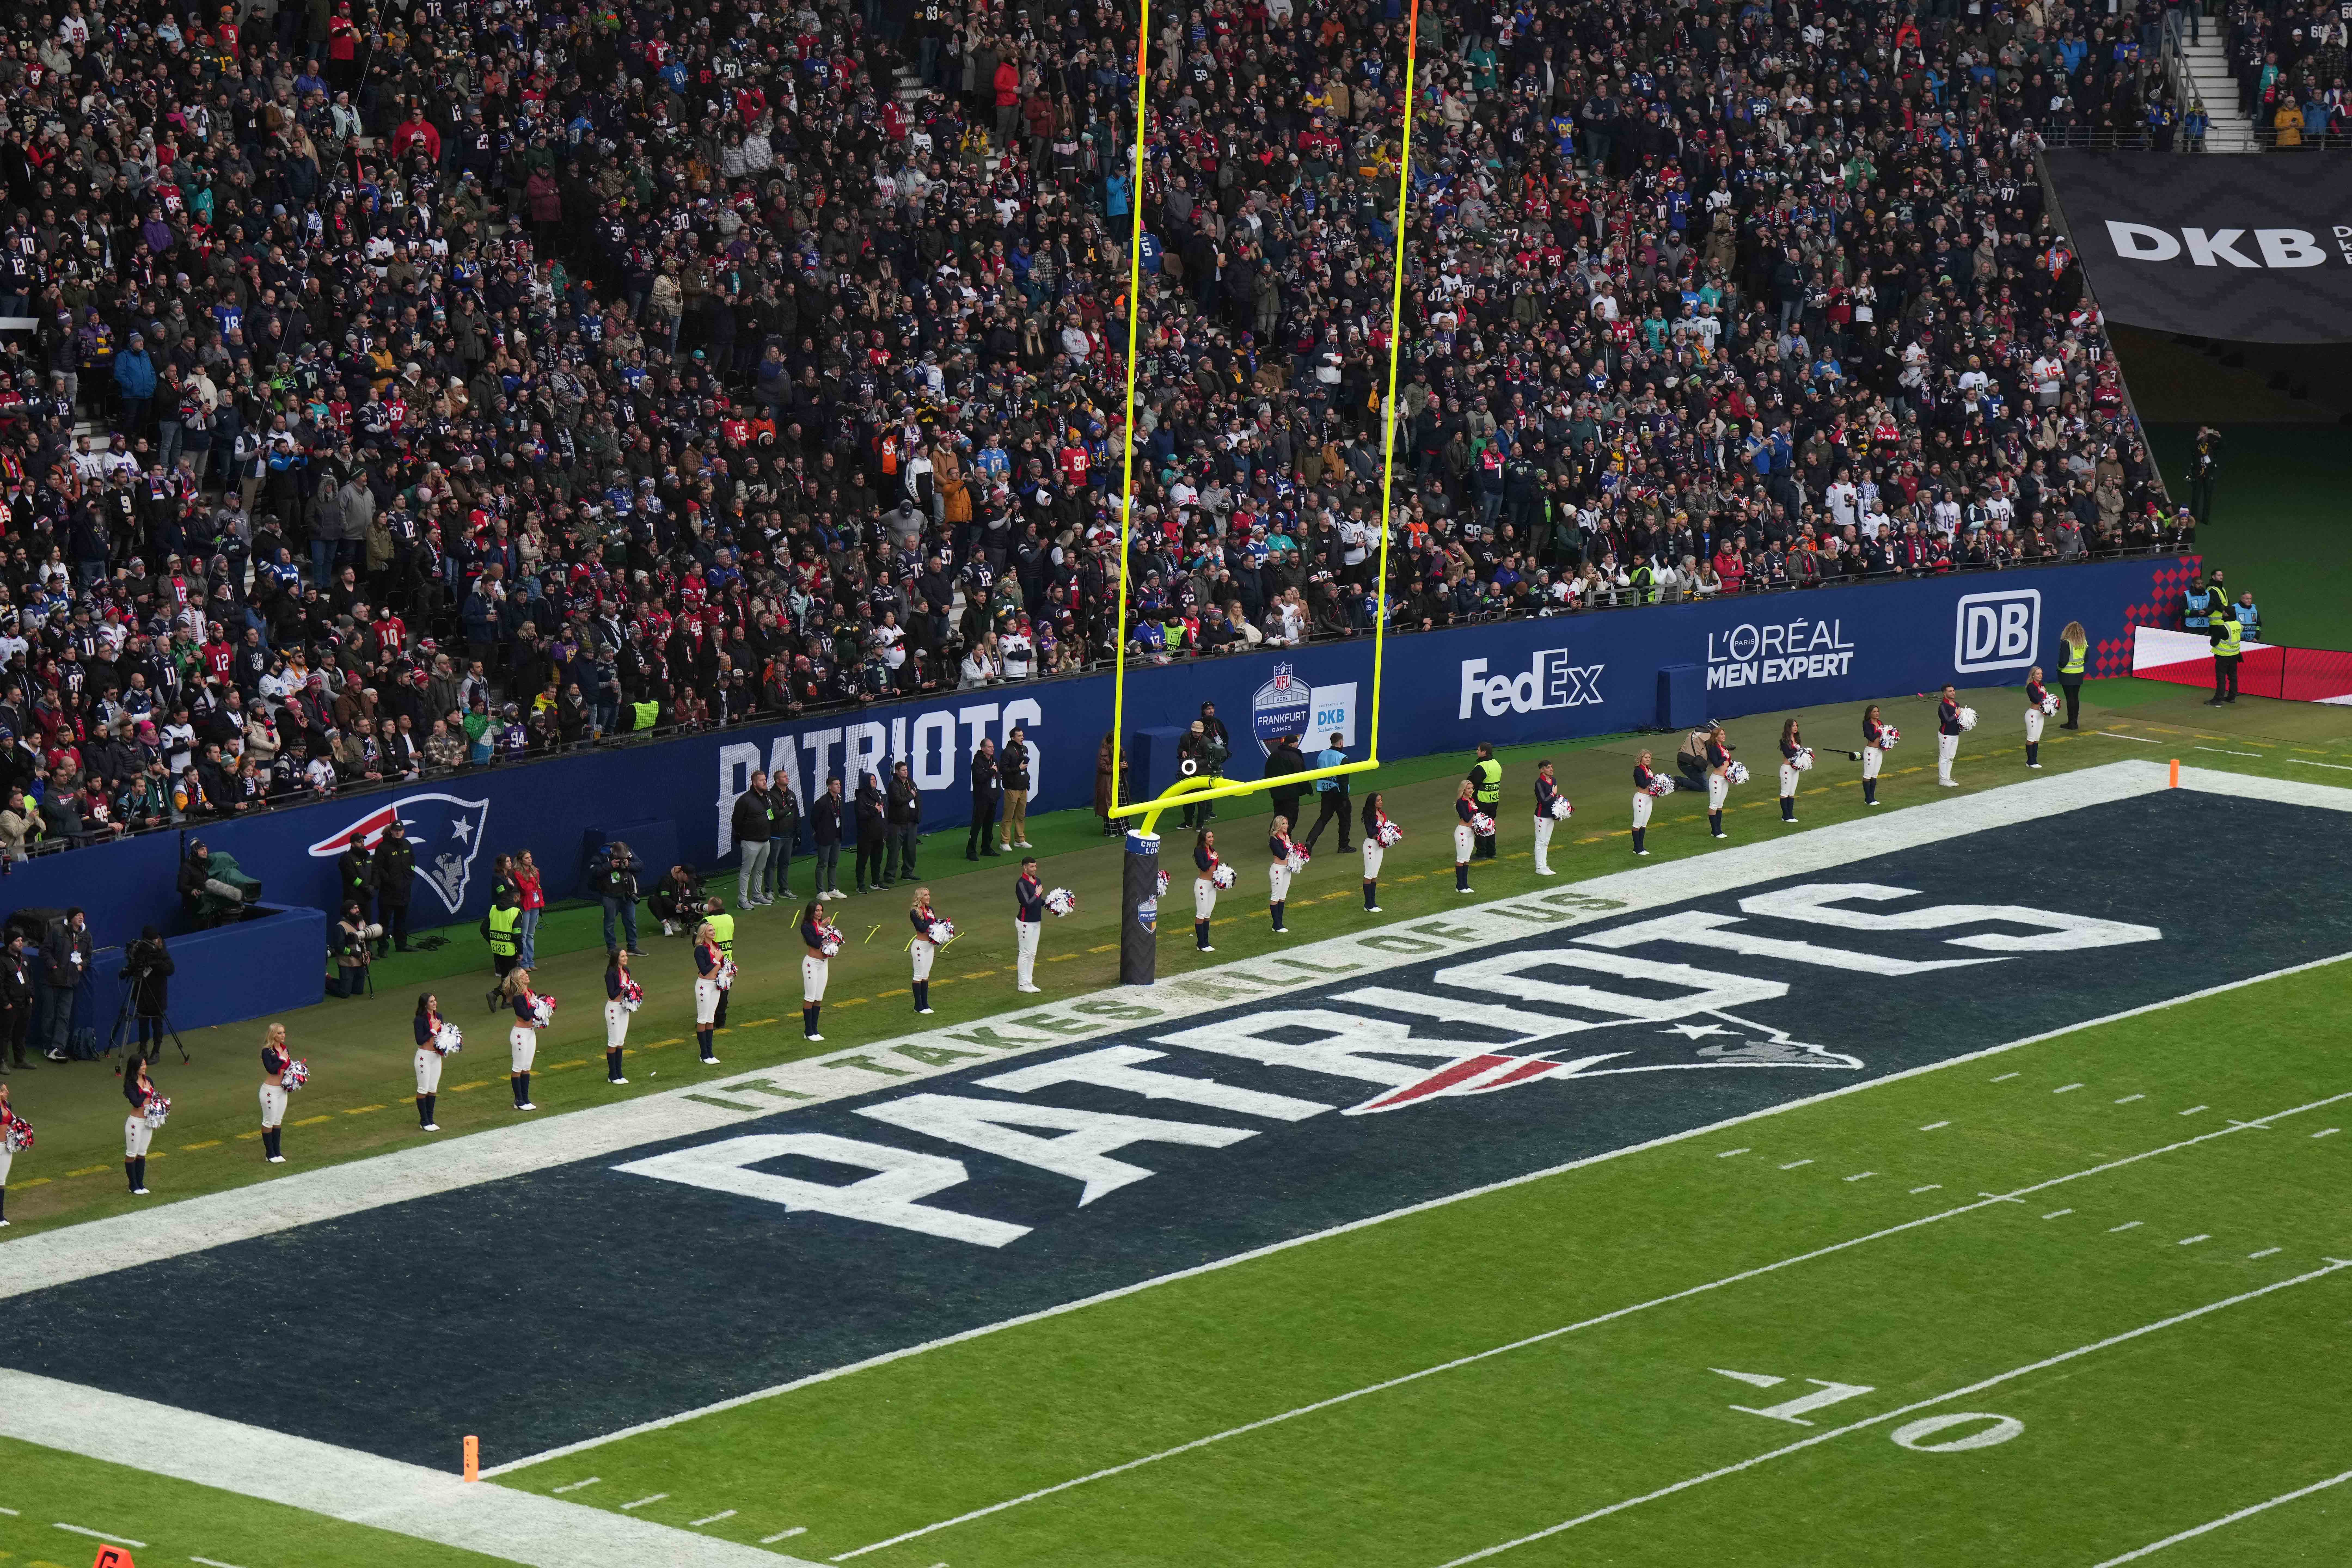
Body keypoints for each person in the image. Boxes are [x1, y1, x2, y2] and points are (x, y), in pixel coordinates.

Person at [39, 908, 93, 1062]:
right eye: (78, 916)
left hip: (71, 982)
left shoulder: (86, 936)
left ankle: (58, 1048)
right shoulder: (57, 930)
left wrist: (83, 965)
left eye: (83, 915)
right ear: (70, 919)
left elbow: (89, 956)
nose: (81, 918)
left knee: (64, 1017)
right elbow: (44, 951)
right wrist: (54, 966)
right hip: (52, 980)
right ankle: (48, 1047)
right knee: (49, 1015)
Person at [122, 926, 175, 1060]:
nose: (155, 942)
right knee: (143, 1021)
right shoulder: (140, 950)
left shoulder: (162, 952)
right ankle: (143, 1049)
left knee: (158, 1021)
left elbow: (170, 970)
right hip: (142, 992)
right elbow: (135, 966)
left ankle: (156, 1052)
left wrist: (155, 963)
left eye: (156, 939)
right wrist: (127, 971)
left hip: (158, 993)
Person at [1302, 733, 1354, 853]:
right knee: (1345, 821)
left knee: (1323, 819)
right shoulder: (1343, 758)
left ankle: (1310, 841)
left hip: (1326, 793)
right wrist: (1345, 799)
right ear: (1341, 743)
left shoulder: (1322, 755)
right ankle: (1343, 846)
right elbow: (1344, 781)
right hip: (1339, 794)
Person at [504, 968, 546, 1110]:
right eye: (522, 975)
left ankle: (526, 1098)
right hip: (520, 1034)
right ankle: (519, 1100)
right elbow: (526, 1016)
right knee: (518, 1067)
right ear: (517, 980)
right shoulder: (518, 997)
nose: (526, 975)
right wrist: (537, 1006)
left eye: (526, 973)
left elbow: (534, 1014)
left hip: (530, 1033)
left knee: (527, 1067)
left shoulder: (531, 993)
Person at [733, 769, 775, 908]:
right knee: (747, 871)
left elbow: (770, 815)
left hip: (765, 841)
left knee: (759, 870)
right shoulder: (745, 800)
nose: (765, 782)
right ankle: (742, 900)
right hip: (750, 842)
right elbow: (736, 821)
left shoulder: (767, 797)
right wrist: (745, 836)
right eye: (762, 780)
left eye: (765, 780)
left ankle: (757, 896)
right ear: (754, 783)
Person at [799, 898, 838, 1039]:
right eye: (817, 911)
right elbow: (815, 943)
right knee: (810, 997)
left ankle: (815, 1030)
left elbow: (826, 937)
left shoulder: (821, 926)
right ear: (811, 912)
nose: (820, 913)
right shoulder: (806, 927)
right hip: (812, 964)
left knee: (819, 997)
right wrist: (825, 931)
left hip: (823, 964)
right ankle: (808, 1031)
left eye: (821, 910)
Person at [596, 840, 643, 954]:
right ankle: (611, 948)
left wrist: (629, 864)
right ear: (614, 853)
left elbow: (640, 865)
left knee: (631, 921)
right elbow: (594, 872)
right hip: (610, 895)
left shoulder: (628, 852)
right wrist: (610, 865)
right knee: (610, 922)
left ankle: (632, 947)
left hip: (628, 894)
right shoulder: (603, 854)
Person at [376, 819, 416, 951]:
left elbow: (412, 863)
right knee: (384, 921)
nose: (398, 832)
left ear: (404, 831)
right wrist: (389, 881)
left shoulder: (407, 845)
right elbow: (378, 868)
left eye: (400, 830)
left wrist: (410, 877)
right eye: (396, 830)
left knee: (401, 920)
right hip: (388, 892)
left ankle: (402, 945)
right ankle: (383, 948)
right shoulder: (383, 848)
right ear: (392, 831)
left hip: (404, 890)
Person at [123, 1055, 160, 1195]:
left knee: (142, 1154)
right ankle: (133, 1185)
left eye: (145, 1064)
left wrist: (158, 1115)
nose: (145, 1067)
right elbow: (137, 1103)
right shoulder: (130, 1084)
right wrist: (145, 1093)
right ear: (135, 1067)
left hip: (147, 1123)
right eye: (142, 1065)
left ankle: (140, 1184)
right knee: (131, 1154)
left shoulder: (149, 1080)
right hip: (135, 1123)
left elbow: (154, 1099)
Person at [413, 992, 449, 1131]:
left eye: (435, 1001)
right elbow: (420, 1040)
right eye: (431, 1002)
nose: (435, 1004)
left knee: (433, 1089)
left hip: (436, 1057)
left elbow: (442, 1036)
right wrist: (433, 1031)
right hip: (424, 1057)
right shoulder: (420, 1020)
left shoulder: (439, 1017)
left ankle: (430, 1119)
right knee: (423, 1089)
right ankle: (424, 1121)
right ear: (425, 1005)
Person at [482, 887, 523, 1003]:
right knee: (511, 976)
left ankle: (506, 1001)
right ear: (515, 898)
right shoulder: (515, 912)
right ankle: (496, 993)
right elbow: (517, 935)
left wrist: (493, 941)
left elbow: (484, 929)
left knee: (505, 975)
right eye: (519, 898)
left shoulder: (494, 909)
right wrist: (520, 951)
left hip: (497, 948)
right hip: (510, 950)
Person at [885, 760, 923, 886]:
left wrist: (918, 816)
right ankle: (890, 875)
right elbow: (898, 800)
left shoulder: (911, 783)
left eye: (906, 770)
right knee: (894, 850)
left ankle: (908, 873)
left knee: (911, 850)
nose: (906, 772)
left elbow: (917, 799)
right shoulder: (893, 785)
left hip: (911, 823)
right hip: (897, 824)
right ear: (897, 772)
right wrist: (910, 796)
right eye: (903, 770)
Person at [259, 1022, 292, 1164]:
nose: (283, 1035)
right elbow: (271, 1069)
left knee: (278, 1122)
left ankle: (277, 1152)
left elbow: (288, 1067)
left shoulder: (285, 1049)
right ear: (273, 1035)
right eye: (279, 1033)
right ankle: (270, 1153)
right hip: (270, 1091)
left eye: (284, 1032)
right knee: (269, 1121)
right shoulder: (267, 1051)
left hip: (282, 1090)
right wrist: (282, 1059)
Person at [909, 887, 947, 1013]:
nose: (929, 897)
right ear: (920, 897)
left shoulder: (930, 910)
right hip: (920, 946)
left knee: (926, 976)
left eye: (929, 894)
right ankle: (918, 1006)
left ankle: (925, 1004)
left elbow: (933, 927)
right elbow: (921, 928)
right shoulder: (914, 912)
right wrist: (932, 920)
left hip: (929, 946)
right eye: (925, 895)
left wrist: (942, 925)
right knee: (919, 975)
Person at [692, 921, 725, 1064]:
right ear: (703, 934)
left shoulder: (716, 947)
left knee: (711, 1019)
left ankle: (710, 1053)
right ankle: (704, 1054)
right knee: (703, 1018)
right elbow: (704, 970)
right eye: (710, 931)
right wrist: (716, 960)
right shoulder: (700, 950)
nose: (713, 932)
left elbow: (721, 965)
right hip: (704, 986)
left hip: (715, 986)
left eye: (714, 930)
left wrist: (727, 973)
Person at [0, 929, 32, 1072]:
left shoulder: (24, 958)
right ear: (9, 944)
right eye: (18, 941)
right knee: (4, 1034)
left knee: (21, 1032)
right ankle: (2, 1062)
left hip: (25, 1003)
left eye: (21, 940)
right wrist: (6, 1003)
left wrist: (30, 996)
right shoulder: (2, 960)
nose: (21, 943)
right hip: (9, 1005)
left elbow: (30, 978)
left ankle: (20, 1060)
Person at [1264, 733, 1307, 835]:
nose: (1298, 745)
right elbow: (1302, 774)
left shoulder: (1274, 754)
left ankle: (1274, 838)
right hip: (1291, 794)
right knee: (1291, 817)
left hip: (1277, 793)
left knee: (1278, 815)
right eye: (1296, 742)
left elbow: (1267, 772)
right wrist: (1308, 790)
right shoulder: (1294, 756)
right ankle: (1285, 839)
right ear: (1292, 744)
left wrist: (1272, 789)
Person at [603, 949, 636, 1083]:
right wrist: (624, 987)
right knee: (613, 1041)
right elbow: (612, 994)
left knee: (621, 1042)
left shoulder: (627, 971)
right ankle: (612, 1075)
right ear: (616, 958)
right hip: (613, 1009)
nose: (626, 958)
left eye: (626, 956)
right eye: (623, 956)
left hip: (624, 1008)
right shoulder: (611, 974)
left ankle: (619, 1073)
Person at [1466, 742, 1504, 860]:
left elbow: (1471, 783)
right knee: (1490, 825)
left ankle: (1481, 852)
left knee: (1480, 826)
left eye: (1478, 750)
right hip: (1494, 800)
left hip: (1481, 801)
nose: (1477, 752)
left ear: (1484, 753)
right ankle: (1492, 851)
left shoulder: (1481, 767)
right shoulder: (1497, 764)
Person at [329, 901, 374, 997]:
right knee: (344, 993)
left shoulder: (362, 923)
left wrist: (369, 952)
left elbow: (369, 940)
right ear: (348, 912)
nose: (358, 910)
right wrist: (358, 954)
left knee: (358, 991)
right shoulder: (341, 927)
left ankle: (341, 983)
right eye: (354, 908)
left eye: (357, 908)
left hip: (361, 962)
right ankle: (326, 981)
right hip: (347, 963)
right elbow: (340, 948)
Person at [967, 737, 1002, 859]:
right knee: (977, 825)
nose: (992, 749)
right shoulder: (977, 763)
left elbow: (998, 776)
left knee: (989, 825)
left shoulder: (994, 760)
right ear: (983, 749)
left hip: (993, 798)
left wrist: (998, 793)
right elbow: (980, 778)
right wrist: (992, 772)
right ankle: (971, 851)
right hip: (982, 799)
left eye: (993, 747)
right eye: (989, 747)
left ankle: (986, 848)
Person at [812, 775, 847, 898]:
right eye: (836, 784)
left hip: (837, 837)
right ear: (829, 787)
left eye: (839, 784)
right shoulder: (822, 802)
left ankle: (832, 889)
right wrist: (822, 831)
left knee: (834, 864)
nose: (839, 786)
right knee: (823, 864)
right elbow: (814, 820)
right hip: (825, 838)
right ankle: (820, 891)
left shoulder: (840, 800)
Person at [1014, 856, 1046, 991]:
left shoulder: (1037, 881)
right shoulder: (1021, 883)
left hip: (1036, 921)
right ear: (1025, 867)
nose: (1035, 869)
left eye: (1035, 866)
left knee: (1032, 953)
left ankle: (1029, 982)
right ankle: (1022, 984)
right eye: (1032, 867)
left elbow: (1038, 902)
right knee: (1025, 953)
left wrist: (1050, 904)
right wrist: (1038, 895)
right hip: (1025, 923)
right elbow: (1026, 903)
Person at [1000, 725, 1033, 850]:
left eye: (1023, 735)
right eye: (1019, 736)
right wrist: (1018, 769)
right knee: (1008, 816)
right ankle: (1005, 842)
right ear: (1013, 738)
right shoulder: (1007, 752)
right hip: (1011, 789)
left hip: (1023, 788)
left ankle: (1020, 840)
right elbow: (1003, 770)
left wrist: (1027, 781)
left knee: (1021, 816)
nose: (1022, 737)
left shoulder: (1025, 749)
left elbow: (1025, 768)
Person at [854, 771, 889, 892]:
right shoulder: (861, 798)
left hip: (879, 833)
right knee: (863, 860)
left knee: (877, 859)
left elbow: (884, 814)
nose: (875, 781)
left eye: (875, 779)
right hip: (866, 835)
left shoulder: (878, 795)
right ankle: (861, 884)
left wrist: (885, 830)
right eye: (872, 780)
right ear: (866, 782)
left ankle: (876, 882)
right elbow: (861, 815)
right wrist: (875, 810)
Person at [652, 864, 706, 936]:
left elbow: (694, 897)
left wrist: (698, 907)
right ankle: (666, 925)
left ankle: (675, 919)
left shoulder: (691, 882)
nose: (690, 879)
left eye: (692, 877)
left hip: (684, 908)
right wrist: (677, 906)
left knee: (698, 915)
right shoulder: (667, 880)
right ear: (682, 873)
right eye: (689, 877)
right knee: (653, 900)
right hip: (669, 907)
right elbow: (665, 898)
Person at [2206, 600, 2243, 705]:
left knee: (2221, 678)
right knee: (2233, 677)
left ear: (2227, 614)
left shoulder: (2222, 628)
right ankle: (2232, 697)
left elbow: (2213, 643)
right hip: (2235, 655)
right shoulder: (2239, 625)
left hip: (2223, 656)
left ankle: (2218, 699)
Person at [1361, 792, 1394, 910]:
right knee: (1369, 874)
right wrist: (1380, 826)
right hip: (1371, 845)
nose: (1381, 802)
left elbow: (1384, 830)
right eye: (1378, 800)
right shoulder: (1368, 815)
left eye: (1381, 800)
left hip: (1380, 846)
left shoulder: (1382, 814)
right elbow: (1371, 832)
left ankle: (1372, 903)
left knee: (1375, 875)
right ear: (1373, 802)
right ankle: (1368, 904)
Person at [513, 850, 546, 966]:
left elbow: (538, 888)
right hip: (526, 905)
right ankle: (524, 963)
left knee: (531, 935)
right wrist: (532, 880)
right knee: (524, 935)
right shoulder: (517, 873)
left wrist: (541, 903)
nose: (530, 860)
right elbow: (526, 890)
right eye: (527, 858)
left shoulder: (535, 871)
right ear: (521, 860)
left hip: (536, 905)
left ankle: (531, 962)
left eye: (530, 857)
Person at [1531, 760, 1563, 875]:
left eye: (1551, 767)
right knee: (1540, 841)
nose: (1551, 769)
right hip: (1541, 817)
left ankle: (1544, 866)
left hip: (1551, 816)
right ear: (1542, 770)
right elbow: (1544, 801)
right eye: (1548, 768)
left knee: (1546, 842)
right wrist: (1553, 794)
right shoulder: (1539, 783)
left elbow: (1552, 800)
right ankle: (1539, 868)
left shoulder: (1554, 780)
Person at [1192, 829, 1222, 952]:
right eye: (1209, 837)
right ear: (1204, 838)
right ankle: (1201, 943)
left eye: (1213, 837)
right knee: (1201, 913)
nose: (1212, 839)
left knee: (1208, 915)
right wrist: (1211, 859)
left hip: (1212, 886)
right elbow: (1204, 867)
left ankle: (1206, 942)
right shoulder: (1199, 851)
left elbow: (1216, 867)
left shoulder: (1213, 850)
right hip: (1202, 885)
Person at [1269, 815, 1299, 932]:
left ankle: (1279, 924)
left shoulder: (1287, 837)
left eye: (1287, 824)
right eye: (1284, 824)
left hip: (1287, 869)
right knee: (1276, 896)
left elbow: (1290, 853)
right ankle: (1277, 925)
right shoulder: (1274, 840)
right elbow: (1281, 855)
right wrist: (1288, 845)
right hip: (1278, 870)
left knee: (1282, 897)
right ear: (1278, 826)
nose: (1287, 826)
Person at [1704, 723, 1735, 836]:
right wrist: (1725, 757)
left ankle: (1718, 830)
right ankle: (1715, 831)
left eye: (1724, 734)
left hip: (1725, 779)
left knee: (1720, 805)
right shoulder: (1713, 749)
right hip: (1717, 779)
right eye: (1721, 734)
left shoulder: (1724, 748)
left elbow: (1728, 763)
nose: (1724, 736)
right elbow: (1717, 764)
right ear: (1716, 737)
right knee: (1714, 805)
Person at [2056, 622, 2088, 731]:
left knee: (2070, 699)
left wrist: (2059, 668)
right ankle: (2074, 722)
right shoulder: (2084, 643)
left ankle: (2072, 723)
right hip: (2079, 673)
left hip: (2067, 674)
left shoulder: (2067, 643)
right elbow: (2086, 659)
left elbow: (2063, 662)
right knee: (2075, 698)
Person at [1632, 751, 1664, 856]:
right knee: (1638, 824)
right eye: (1646, 757)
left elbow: (1651, 785)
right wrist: (1651, 778)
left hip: (1649, 799)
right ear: (1641, 758)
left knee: (1644, 824)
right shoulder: (1638, 771)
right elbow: (1643, 785)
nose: (1648, 760)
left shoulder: (1649, 770)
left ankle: (1641, 847)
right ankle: (1637, 848)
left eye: (1649, 758)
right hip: (1640, 798)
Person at [1861, 705, 1891, 806]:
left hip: (1879, 751)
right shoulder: (1867, 724)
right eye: (1875, 712)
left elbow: (1883, 737)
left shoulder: (1880, 723)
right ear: (1870, 713)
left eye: (1878, 711)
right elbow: (1871, 738)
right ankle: (1868, 798)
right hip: (1871, 751)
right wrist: (1880, 731)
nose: (1877, 713)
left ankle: (1872, 798)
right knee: (1868, 775)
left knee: (1875, 775)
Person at [1777, 719, 1805, 823]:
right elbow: (1788, 755)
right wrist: (1797, 749)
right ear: (1789, 727)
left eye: (1797, 726)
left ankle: (1790, 815)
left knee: (1792, 792)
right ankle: (1785, 816)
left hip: (1795, 770)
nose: (1796, 728)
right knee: (1785, 792)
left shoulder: (1797, 739)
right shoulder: (1784, 741)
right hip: (1787, 769)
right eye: (1794, 726)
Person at [1451, 783, 1479, 892]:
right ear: (1464, 790)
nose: (1471, 790)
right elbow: (1467, 818)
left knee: (1467, 859)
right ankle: (1459, 886)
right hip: (1462, 832)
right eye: (1468, 788)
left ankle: (1465, 885)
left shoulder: (1472, 801)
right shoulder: (1460, 803)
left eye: (1472, 788)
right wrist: (1474, 810)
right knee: (1461, 859)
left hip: (1471, 832)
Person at [1936, 684, 1964, 786]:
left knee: (1951, 757)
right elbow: (1947, 721)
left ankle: (1948, 778)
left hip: (1955, 734)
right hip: (1946, 735)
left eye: (1953, 691)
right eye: (1950, 691)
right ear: (1945, 694)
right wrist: (1956, 715)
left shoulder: (1957, 704)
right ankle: (1942, 780)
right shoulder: (1943, 706)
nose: (1953, 693)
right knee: (1944, 757)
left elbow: (1958, 721)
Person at [0, 1080, 20, 1223]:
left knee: (1, 1182)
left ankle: (0, 1217)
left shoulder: (8, 1105)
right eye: (3, 1091)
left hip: (7, 1147)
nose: (7, 1093)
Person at [2024, 668, 2051, 769]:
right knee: (2031, 738)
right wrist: (2043, 692)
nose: (2040, 676)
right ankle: (2031, 762)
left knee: (2037, 739)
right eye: (2038, 674)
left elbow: (2045, 699)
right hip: (2032, 714)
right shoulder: (2031, 687)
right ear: (2033, 675)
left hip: (2040, 715)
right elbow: (2036, 699)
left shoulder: (2042, 685)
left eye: (2041, 674)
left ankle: (2034, 761)